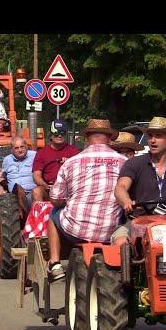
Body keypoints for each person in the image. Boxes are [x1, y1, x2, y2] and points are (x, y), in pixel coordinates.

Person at [46, 119, 126, 281]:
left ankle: (55, 263)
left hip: (76, 230)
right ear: (110, 139)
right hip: (111, 231)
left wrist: (67, 200)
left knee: (53, 213)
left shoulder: (71, 162)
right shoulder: (124, 162)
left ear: (87, 138)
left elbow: (55, 198)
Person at [113, 116, 166, 247]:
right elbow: (121, 187)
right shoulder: (134, 163)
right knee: (120, 242)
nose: (152, 140)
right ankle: (128, 267)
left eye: (158, 136)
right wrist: (126, 201)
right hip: (138, 220)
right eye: (150, 136)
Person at [32, 119, 80, 202]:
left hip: (68, 189)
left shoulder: (74, 152)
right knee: (36, 192)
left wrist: (69, 164)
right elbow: (36, 176)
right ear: (50, 135)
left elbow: (81, 172)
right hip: (48, 188)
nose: (59, 136)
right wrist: (46, 185)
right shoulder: (42, 152)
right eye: (56, 133)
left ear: (66, 135)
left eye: (62, 133)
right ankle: (40, 214)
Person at [0, 136, 37, 209]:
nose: (20, 150)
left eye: (22, 147)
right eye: (16, 148)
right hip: (13, 194)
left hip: (31, 192)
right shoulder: (7, 160)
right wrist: (0, 191)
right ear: (12, 150)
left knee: (29, 200)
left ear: (26, 147)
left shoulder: (35, 155)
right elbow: (2, 177)